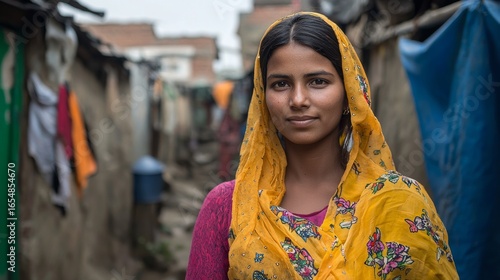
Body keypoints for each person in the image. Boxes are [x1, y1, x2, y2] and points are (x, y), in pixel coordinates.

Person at [186, 12, 458, 279]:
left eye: (318, 81)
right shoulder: (228, 208)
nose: (298, 99)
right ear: (263, 98)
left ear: (348, 93)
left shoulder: (400, 203)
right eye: (281, 84)